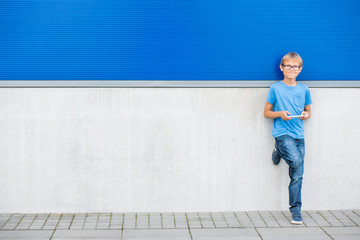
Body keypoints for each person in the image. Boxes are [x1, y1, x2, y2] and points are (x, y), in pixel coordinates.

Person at [264, 52, 312, 225]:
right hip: (282, 133)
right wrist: (280, 114)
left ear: (300, 69)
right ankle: (280, 147)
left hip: (299, 135)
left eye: (295, 67)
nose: (291, 69)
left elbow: (308, 112)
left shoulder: (304, 89)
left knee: (297, 175)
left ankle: (295, 211)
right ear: (282, 68)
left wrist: (306, 115)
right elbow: (266, 112)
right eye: (288, 66)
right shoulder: (275, 88)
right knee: (297, 162)